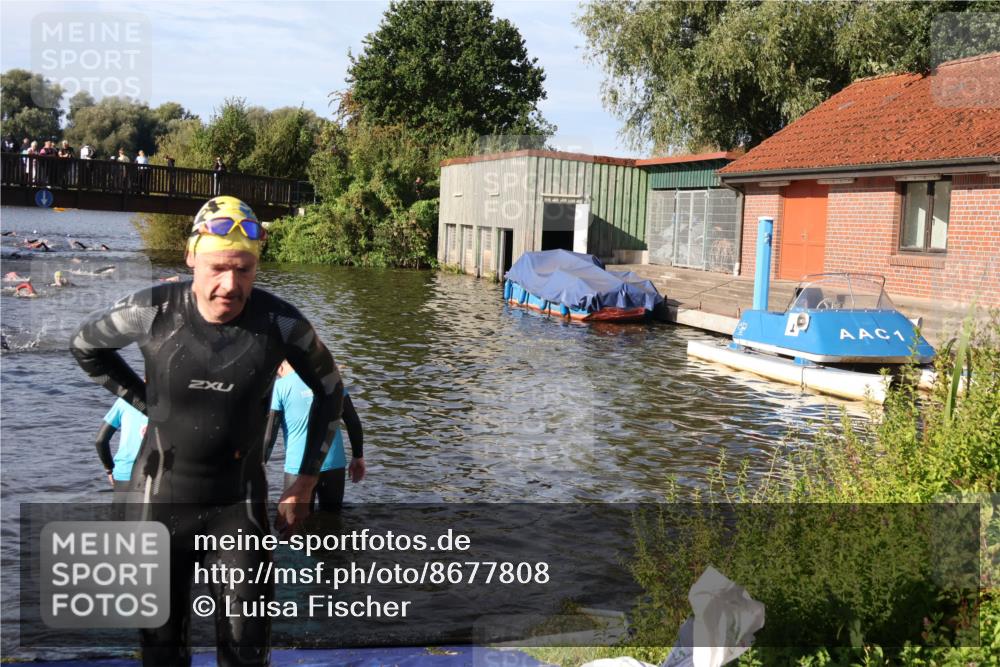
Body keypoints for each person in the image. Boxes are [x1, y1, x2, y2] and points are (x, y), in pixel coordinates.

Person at [70, 195, 344, 666]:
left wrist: (304, 480)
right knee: (162, 652)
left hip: (238, 508)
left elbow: (331, 391)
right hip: (157, 498)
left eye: (244, 270)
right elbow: (84, 347)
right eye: (217, 268)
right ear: (191, 256)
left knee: (246, 653)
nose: (229, 286)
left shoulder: (281, 323)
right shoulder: (150, 310)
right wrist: (145, 401)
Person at [264, 360, 365, 511]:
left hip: (298, 468)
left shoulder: (280, 387)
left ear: (281, 366)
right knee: (332, 521)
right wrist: (358, 456)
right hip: (333, 465)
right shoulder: (332, 382)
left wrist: (259, 466)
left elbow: (269, 436)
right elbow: (353, 422)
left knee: (296, 526)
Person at [95, 397, 148, 497]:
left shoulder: (125, 400)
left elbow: (100, 440)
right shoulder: (173, 403)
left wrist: (109, 469)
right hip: (156, 476)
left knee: (121, 512)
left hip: (123, 472)